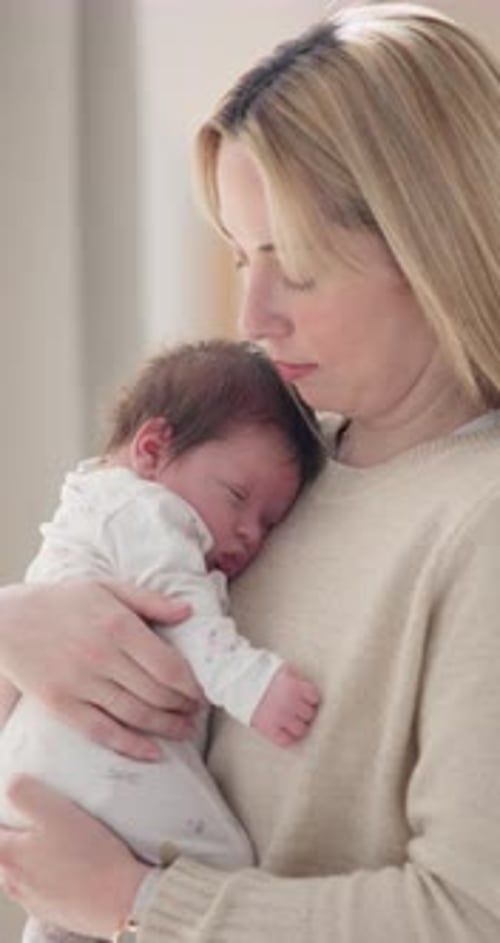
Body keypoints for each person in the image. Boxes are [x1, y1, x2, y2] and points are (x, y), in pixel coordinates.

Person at [1, 3, 500, 941]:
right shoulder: (279, 459)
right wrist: (18, 623)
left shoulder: (479, 522)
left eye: (296, 266)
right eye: (239, 255)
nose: (253, 314)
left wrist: (137, 904)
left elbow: (471, 915)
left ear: (432, 239)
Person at [0, 339, 323, 943]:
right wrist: (257, 687)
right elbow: (187, 620)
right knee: (222, 871)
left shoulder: (91, 504)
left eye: (268, 523)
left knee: (60, 920)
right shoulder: (147, 517)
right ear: (152, 448)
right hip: (100, 764)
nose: (247, 536)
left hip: (40, 771)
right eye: (236, 499)